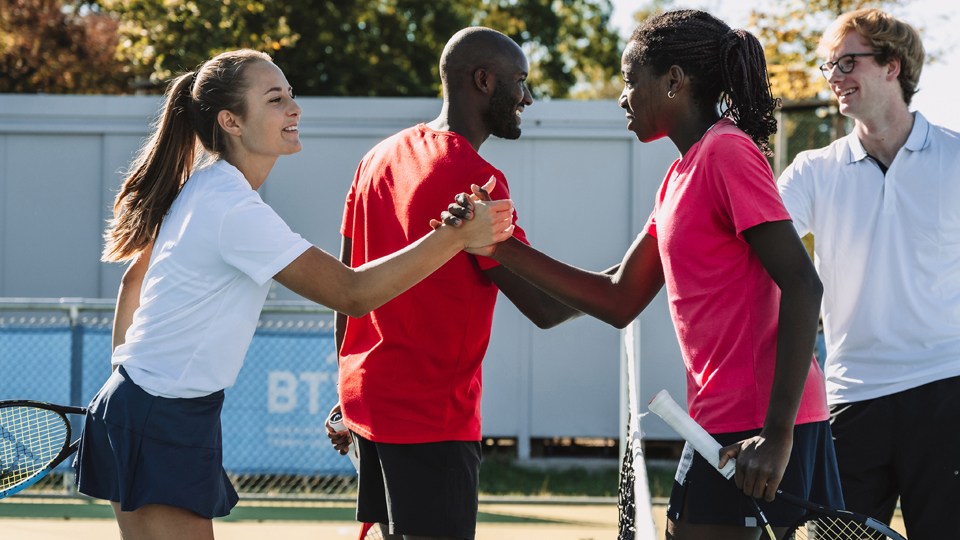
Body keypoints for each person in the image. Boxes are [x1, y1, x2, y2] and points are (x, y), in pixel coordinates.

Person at [72, 49, 513, 540]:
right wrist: (455, 236)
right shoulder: (233, 208)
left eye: (291, 96)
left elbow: (134, 281)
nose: (294, 108)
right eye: (276, 99)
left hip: (151, 408)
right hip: (159, 414)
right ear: (231, 122)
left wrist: (125, 382)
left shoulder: (203, 188)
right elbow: (353, 293)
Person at [445, 10, 842, 539]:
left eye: (632, 81)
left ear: (674, 81)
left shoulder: (727, 152)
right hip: (719, 421)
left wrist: (776, 436)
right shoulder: (679, 175)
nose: (622, 97)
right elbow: (617, 298)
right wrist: (499, 246)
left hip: (760, 424)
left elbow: (802, 283)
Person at [324, 27, 585, 540]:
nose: (527, 96)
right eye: (520, 81)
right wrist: (629, 281)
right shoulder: (477, 179)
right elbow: (546, 308)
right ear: (483, 81)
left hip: (368, 401)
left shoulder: (376, 159)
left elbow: (346, 289)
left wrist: (345, 388)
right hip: (430, 419)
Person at [777, 8, 960, 538]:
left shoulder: (954, 158)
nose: (833, 76)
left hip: (947, 394)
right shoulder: (813, 170)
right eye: (827, 66)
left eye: (847, 62)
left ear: (891, 66)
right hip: (850, 399)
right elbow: (750, 238)